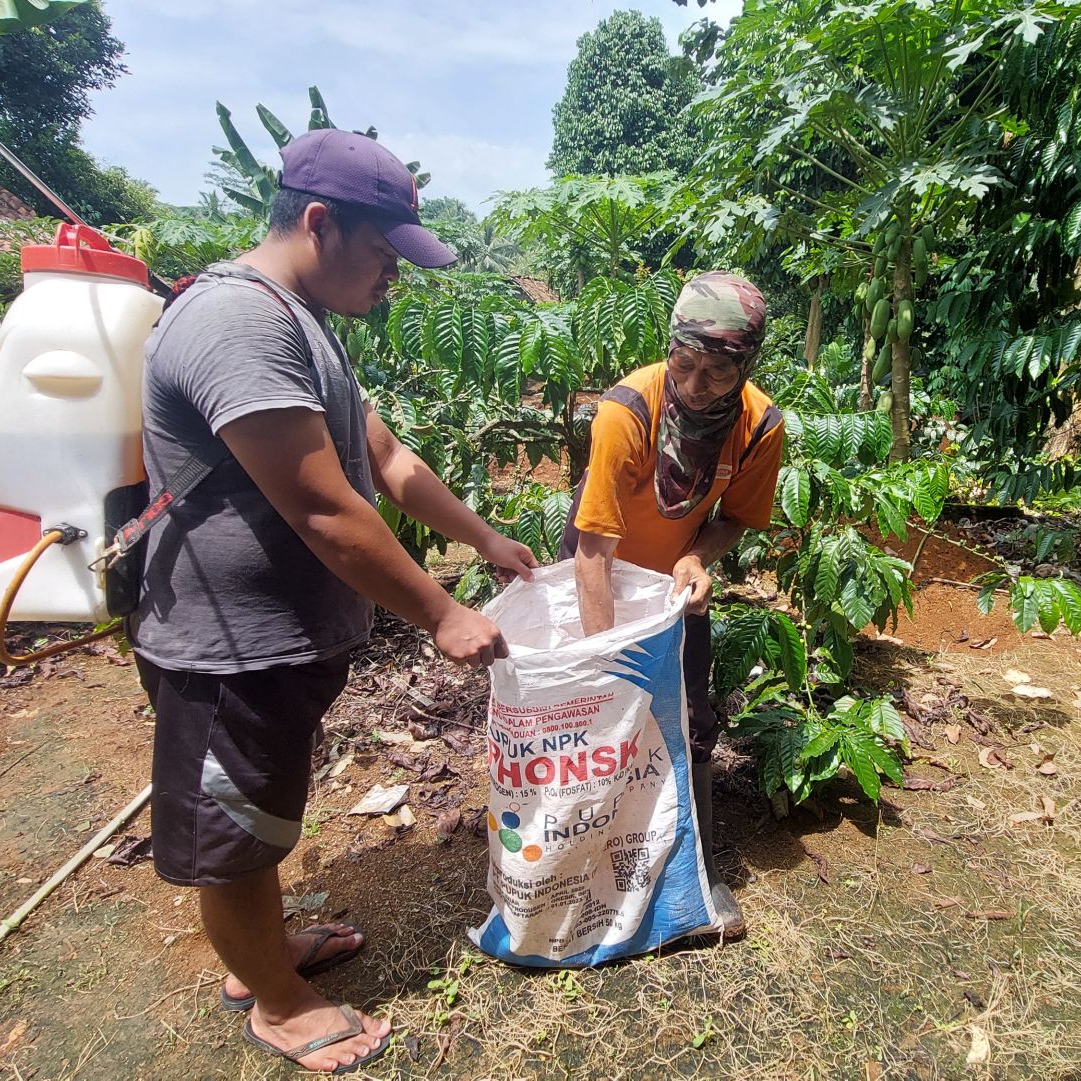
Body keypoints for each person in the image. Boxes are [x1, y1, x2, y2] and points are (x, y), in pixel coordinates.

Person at [131, 129, 537, 1074]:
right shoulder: (238, 324)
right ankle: (273, 998)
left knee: (265, 809)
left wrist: (482, 537)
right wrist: (443, 612)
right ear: (320, 223)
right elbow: (323, 507)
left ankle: (266, 947)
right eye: (385, 253)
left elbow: (384, 459)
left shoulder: (298, 320)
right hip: (223, 650)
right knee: (233, 831)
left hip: (276, 646)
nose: (393, 275)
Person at [564, 271, 784, 940]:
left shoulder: (758, 427)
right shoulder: (627, 410)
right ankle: (589, 858)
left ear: (746, 366)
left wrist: (696, 557)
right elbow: (593, 553)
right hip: (602, 569)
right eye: (684, 364)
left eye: (717, 374)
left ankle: (693, 869)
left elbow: (735, 519)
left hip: (672, 582)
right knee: (596, 723)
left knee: (689, 720)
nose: (693, 386)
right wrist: (610, 664)